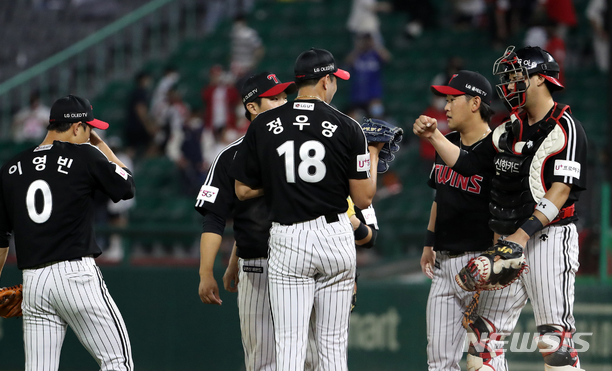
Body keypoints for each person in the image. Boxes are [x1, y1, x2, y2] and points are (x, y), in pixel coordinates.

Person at [414, 46, 587, 370]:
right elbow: (467, 164)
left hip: (548, 238)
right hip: (508, 243)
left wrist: (519, 238)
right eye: (506, 78)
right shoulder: (507, 130)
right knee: (482, 340)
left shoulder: (565, 127)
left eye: (514, 76)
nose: (507, 85)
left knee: (555, 343)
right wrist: (435, 136)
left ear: (539, 79)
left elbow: (560, 191)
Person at [197, 71, 379, 371]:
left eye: (284, 95)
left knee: (308, 356)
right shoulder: (232, 155)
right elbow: (216, 216)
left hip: (297, 252)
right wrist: (215, 267)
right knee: (264, 359)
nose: (283, 101)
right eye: (274, 98)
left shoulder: (311, 139)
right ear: (252, 108)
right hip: (258, 262)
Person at [0, 94, 135, 370]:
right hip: (76, 276)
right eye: (90, 129)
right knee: (117, 361)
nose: (91, 135)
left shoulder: (11, 168)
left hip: (34, 283)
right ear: (77, 127)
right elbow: (127, 185)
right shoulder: (85, 154)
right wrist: (102, 149)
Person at [420, 71, 526, 371]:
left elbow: (504, 208)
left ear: (476, 102)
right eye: (446, 100)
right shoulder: (447, 143)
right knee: (439, 362)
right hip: (443, 264)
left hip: (481, 262)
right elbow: (440, 197)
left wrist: (491, 264)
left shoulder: (498, 148)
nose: (446, 107)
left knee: (485, 356)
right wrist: (429, 243)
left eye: (453, 100)